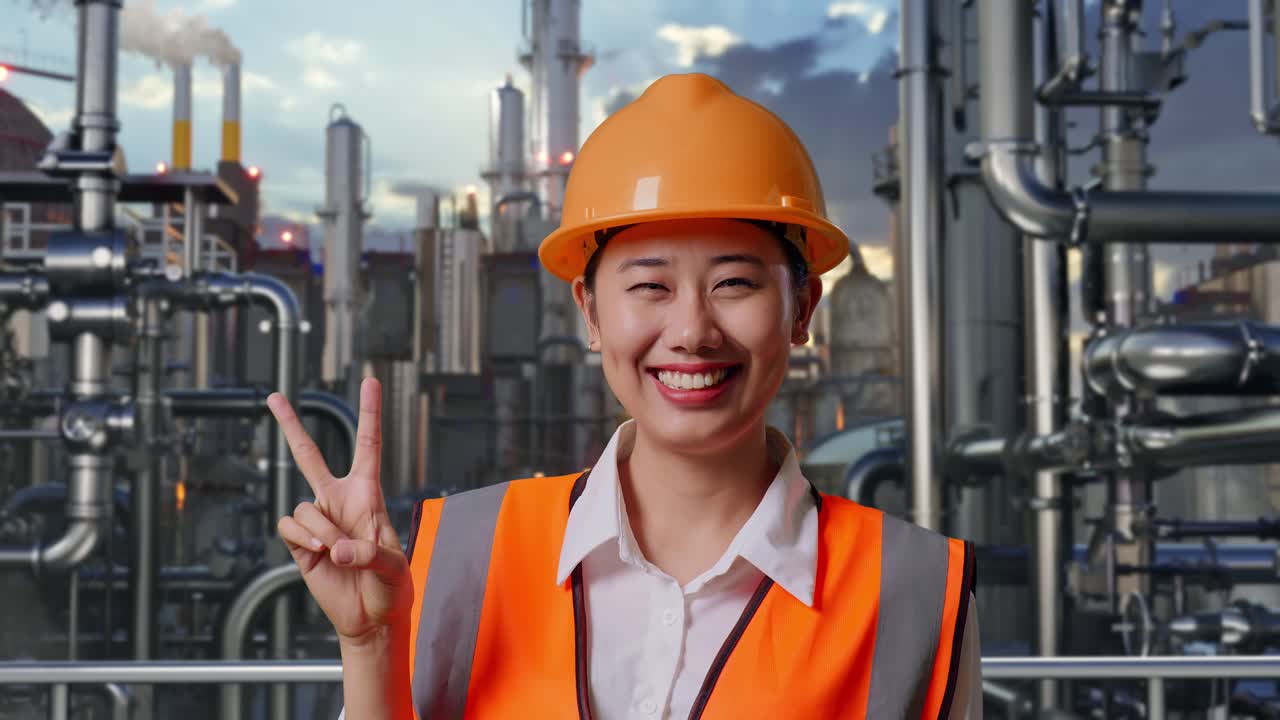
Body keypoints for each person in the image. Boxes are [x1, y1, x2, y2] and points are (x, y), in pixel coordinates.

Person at [268, 73, 982, 720]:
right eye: (650, 286)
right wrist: (370, 650)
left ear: (801, 309)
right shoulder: (456, 556)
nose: (693, 331)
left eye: (735, 282)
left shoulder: (916, 589)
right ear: (590, 311)